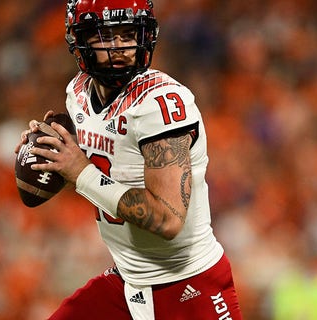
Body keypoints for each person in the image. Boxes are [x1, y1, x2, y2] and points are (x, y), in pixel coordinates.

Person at [14, 0, 242, 319]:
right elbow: (102, 176)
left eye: (128, 34)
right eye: (108, 36)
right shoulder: (78, 94)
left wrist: (79, 172)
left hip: (190, 287)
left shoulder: (158, 104)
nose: (121, 47)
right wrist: (52, 156)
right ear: (81, 40)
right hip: (127, 284)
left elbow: (167, 219)